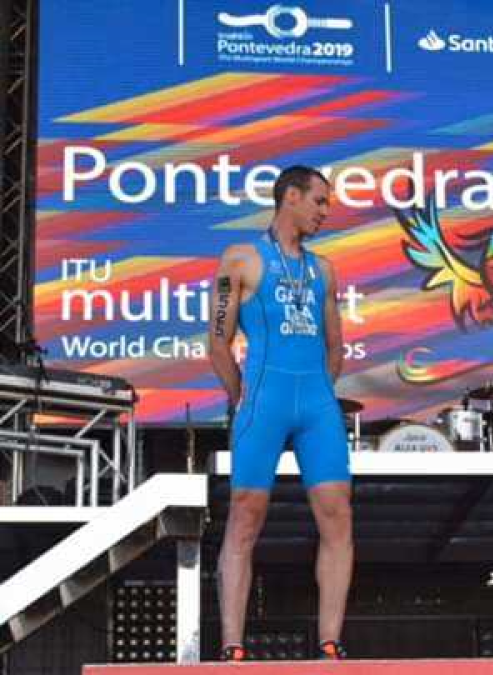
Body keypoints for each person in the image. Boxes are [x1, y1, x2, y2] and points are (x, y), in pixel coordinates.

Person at [208, 165, 352, 661]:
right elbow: (218, 341)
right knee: (245, 516)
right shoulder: (240, 260)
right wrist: (239, 396)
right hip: (262, 403)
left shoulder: (325, 269)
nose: (325, 212)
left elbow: (335, 348)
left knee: (337, 516)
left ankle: (330, 643)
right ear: (291, 196)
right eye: (319, 201)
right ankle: (233, 645)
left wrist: (318, 397)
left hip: (316, 405)